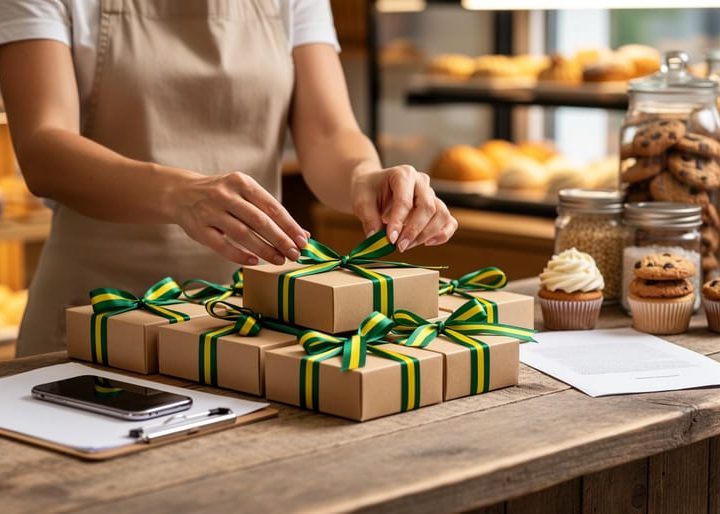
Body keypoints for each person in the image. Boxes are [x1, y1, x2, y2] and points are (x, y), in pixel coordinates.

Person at [0, 0, 457, 357]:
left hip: (248, 324)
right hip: (93, 316)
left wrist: (365, 176)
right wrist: (179, 194)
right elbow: (43, 147)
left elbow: (329, 133)